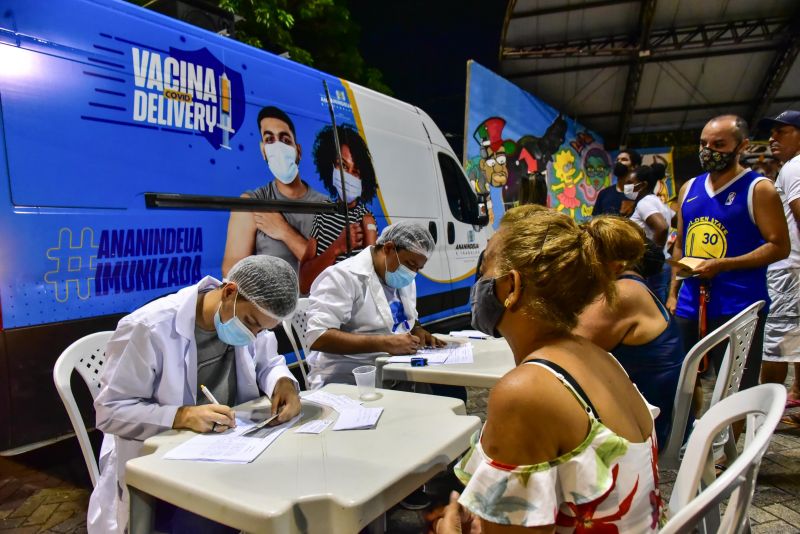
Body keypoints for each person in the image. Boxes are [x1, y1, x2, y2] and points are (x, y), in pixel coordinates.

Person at [443, 206, 663, 532]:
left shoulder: (527, 391)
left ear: (511, 287)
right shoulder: (599, 357)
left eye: (484, 264)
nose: (478, 280)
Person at [87, 256, 302, 534]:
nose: (253, 334)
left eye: (262, 329)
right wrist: (182, 416)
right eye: (250, 323)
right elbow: (110, 411)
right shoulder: (149, 327)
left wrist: (283, 382)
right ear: (229, 292)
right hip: (163, 467)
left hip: (227, 453)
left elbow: (269, 362)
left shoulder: (251, 322)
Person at [667, 115, 789, 396]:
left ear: (742, 146)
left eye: (718, 144)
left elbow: (779, 246)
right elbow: (680, 245)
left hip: (738, 306)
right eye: (703, 143)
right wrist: (673, 293)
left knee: (736, 388)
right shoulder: (689, 189)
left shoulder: (759, 189)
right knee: (684, 383)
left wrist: (724, 265)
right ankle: (688, 438)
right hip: (689, 304)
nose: (708, 150)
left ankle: (732, 440)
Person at [575, 226, 684, 449]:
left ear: (614, 263)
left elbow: (569, 350)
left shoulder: (623, 294)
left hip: (648, 429)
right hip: (660, 415)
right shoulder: (635, 284)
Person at [304, 221, 445, 388]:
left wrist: (418, 330)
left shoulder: (402, 278)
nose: (412, 273)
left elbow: (405, 318)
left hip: (395, 370)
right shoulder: (343, 277)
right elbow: (318, 337)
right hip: (349, 379)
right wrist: (384, 343)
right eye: (410, 264)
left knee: (451, 390)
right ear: (388, 248)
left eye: (418, 268)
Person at [222, 106, 327, 277]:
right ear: (263, 151)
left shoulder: (325, 206)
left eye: (285, 140)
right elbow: (232, 275)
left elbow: (332, 272)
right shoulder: (253, 202)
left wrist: (284, 231)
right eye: (270, 140)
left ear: (298, 151)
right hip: (271, 304)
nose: (278, 147)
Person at [298, 124, 379, 294]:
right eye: (342, 165)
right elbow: (304, 282)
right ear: (331, 166)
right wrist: (337, 247)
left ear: (363, 180)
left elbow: (370, 280)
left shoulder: (365, 220)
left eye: (355, 171)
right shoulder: (323, 213)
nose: (347, 175)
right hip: (319, 306)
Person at [757, 110, 800, 415]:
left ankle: (765, 411)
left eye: (782, 132)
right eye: (772, 132)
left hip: (788, 269)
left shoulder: (794, 167)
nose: (773, 138)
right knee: (793, 339)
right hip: (793, 267)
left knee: (777, 343)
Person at [627, 165, 673, 302]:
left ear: (643, 185)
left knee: (654, 306)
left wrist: (653, 259)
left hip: (653, 268)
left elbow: (662, 228)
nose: (627, 187)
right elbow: (675, 219)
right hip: (663, 264)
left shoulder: (645, 203)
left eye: (630, 183)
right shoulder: (657, 201)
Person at [592, 148, 641, 216]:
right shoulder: (604, 193)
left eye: (624, 159)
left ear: (634, 166)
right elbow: (594, 218)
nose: (619, 162)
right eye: (617, 160)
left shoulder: (638, 194)